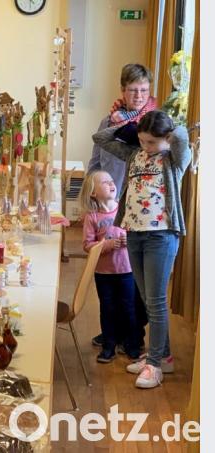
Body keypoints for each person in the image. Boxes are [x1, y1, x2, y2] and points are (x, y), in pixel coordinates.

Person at [92, 110, 190, 389]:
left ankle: (155, 365)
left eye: (151, 142)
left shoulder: (174, 158)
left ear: (166, 138)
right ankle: (164, 356)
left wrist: (167, 128)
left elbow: (182, 136)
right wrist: (131, 125)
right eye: (142, 140)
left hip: (161, 236)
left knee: (156, 301)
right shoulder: (134, 154)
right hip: (133, 233)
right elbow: (99, 137)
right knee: (147, 299)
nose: (145, 146)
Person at [80, 170, 140, 363]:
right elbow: (87, 245)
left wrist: (127, 239)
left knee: (129, 308)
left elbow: (136, 233)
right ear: (93, 192)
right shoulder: (92, 217)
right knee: (107, 309)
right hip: (103, 273)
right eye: (105, 182)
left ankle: (132, 344)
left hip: (127, 271)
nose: (111, 184)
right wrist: (106, 245)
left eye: (112, 180)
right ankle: (108, 346)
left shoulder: (125, 209)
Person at [88, 64, 157, 196]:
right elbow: (95, 163)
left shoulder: (154, 126)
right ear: (123, 90)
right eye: (133, 90)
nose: (139, 96)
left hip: (142, 199)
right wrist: (90, 195)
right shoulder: (108, 122)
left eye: (144, 90)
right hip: (109, 199)